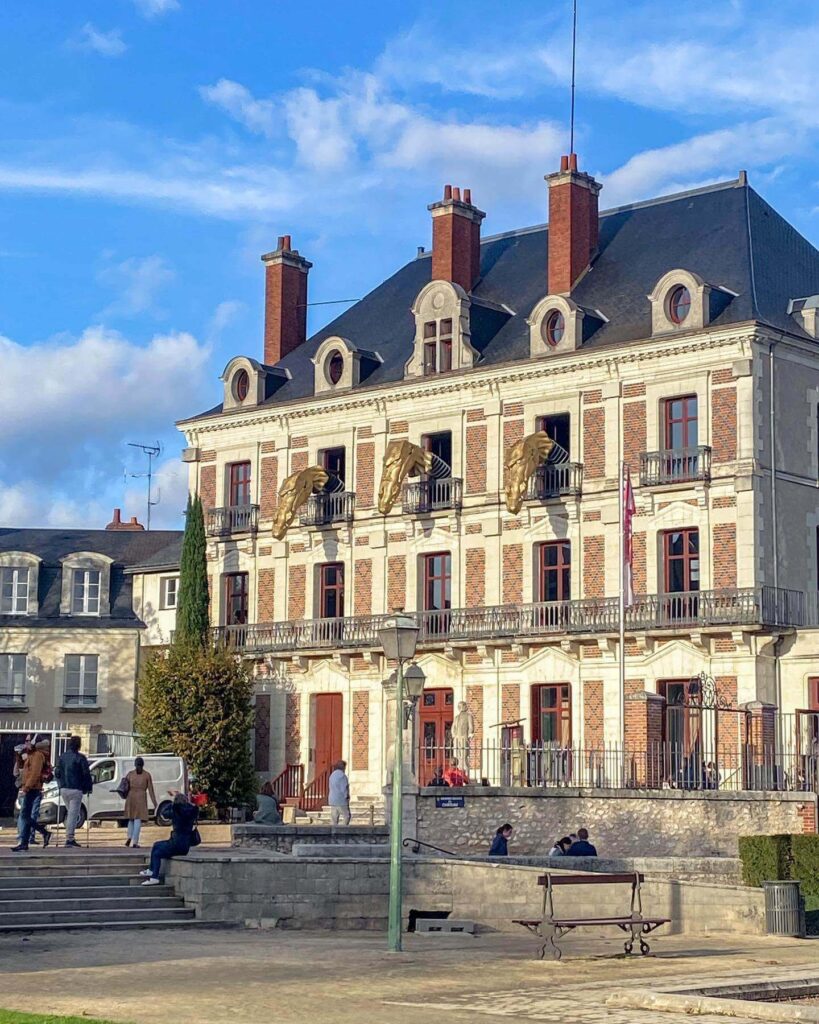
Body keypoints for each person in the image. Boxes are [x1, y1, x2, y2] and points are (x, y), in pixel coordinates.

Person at [140, 791, 199, 885]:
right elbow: (194, 807)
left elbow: (163, 813)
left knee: (157, 853)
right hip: (185, 845)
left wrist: (172, 803)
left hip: (176, 843)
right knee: (157, 845)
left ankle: (154, 876)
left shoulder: (176, 811)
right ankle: (151, 871)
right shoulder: (192, 811)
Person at [12, 739, 52, 852]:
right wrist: (18, 756)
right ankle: (26, 841)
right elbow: (21, 770)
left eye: (29, 741)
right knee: (25, 816)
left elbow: (34, 773)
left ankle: (42, 833)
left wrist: (26, 788)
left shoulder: (38, 756)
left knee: (25, 816)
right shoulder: (31, 755)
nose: (26, 743)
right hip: (29, 788)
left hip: (32, 789)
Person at [55, 735, 93, 849]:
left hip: (64, 788)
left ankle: (69, 836)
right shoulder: (80, 758)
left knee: (70, 812)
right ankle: (69, 839)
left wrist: (60, 784)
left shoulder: (62, 757)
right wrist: (88, 787)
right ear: (79, 745)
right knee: (73, 814)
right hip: (76, 789)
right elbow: (86, 774)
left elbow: (57, 772)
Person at [123, 757, 158, 848]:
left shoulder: (130, 774)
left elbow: (124, 786)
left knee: (131, 819)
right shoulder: (147, 775)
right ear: (143, 765)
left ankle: (129, 837)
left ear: (135, 764)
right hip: (141, 798)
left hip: (131, 797)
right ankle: (135, 842)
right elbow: (151, 790)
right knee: (138, 819)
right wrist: (155, 803)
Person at [328, 760, 351, 826]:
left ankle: (334, 831)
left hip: (332, 799)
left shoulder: (332, 775)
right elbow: (344, 788)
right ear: (343, 767)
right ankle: (343, 829)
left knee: (334, 818)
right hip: (341, 800)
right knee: (346, 816)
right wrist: (346, 796)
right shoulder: (342, 776)